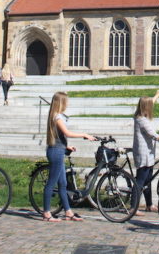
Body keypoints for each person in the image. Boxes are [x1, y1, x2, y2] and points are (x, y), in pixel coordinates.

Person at [42, 91, 96, 222]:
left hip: (59, 150)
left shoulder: (56, 116)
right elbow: (67, 133)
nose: (67, 105)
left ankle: (68, 212)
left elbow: (59, 136)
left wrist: (66, 146)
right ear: (61, 103)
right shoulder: (57, 117)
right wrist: (84, 134)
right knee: (51, 183)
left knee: (63, 183)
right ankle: (47, 213)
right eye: (66, 102)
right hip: (56, 152)